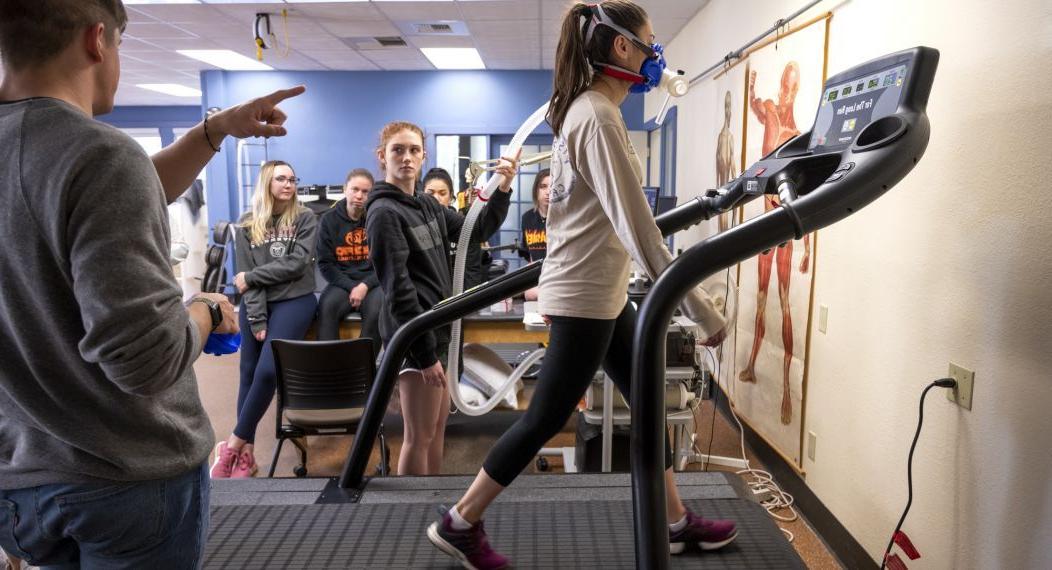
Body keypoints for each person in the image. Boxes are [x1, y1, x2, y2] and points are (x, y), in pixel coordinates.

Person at [426, 3, 737, 568]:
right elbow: (636, 225)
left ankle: (673, 520)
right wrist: (704, 312)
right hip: (586, 297)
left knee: (646, 400)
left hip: (604, 293)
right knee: (545, 417)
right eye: (648, 42)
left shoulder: (587, 112)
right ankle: (460, 520)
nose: (653, 54)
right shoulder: (595, 116)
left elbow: (614, 222)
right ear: (622, 48)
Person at [0, 0, 303, 566]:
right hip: (122, 478)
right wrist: (207, 310)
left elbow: (103, 194)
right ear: (98, 41)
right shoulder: (98, 155)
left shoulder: (61, 157)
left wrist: (213, 131)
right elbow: (146, 360)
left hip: (21, 480)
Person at [366, 123, 517, 476]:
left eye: (414, 150)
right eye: (397, 150)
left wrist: (504, 186)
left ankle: (429, 498)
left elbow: (474, 230)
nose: (406, 157)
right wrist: (425, 355)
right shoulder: (384, 213)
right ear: (382, 156)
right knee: (418, 438)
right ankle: (408, 516)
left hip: (438, 332)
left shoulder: (425, 205)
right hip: (415, 340)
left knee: (436, 433)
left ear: (423, 156)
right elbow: (399, 291)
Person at [209, 161, 319, 479]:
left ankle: (231, 445)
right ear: (266, 183)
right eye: (280, 178)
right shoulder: (246, 225)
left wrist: (254, 276)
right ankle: (248, 456)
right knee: (247, 373)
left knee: (269, 371)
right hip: (258, 303)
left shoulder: (305, 218)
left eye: (292, 179)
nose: (288, 184)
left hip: (296, 299)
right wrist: (256, 317)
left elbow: (297, 265)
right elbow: (244, 283)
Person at [740, 62, 812, 425]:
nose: (786, 91)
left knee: (784, 302)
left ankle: (785, 388)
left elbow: (805, 199)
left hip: (784, 231)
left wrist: (808, 249)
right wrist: (751, 85)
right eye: (785, 84)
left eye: (792, 87)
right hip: (764, 227)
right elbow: (753, 105)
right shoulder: (768, 110)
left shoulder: (799, 134)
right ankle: (751, 365)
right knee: (760, 299)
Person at [315, 168, 384, 357]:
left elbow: (386, 262)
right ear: (345, 189)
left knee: (377, 313)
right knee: (326, 307)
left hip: (373, 282)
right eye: (355, 189)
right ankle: (329, 372)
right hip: (342, 281)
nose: (359, 196)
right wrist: (352, 286)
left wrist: (364, 286)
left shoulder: (379, 218)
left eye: (365, 191)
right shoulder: (328, 220)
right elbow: (325, 264)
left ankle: (362, 373)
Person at [423, 166, 510, 289]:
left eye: (442, 193)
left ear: (451, 197)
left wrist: (504, 186)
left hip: (460, 298)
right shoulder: (416, 224)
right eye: (430, 193)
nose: (436, 198)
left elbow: (472, 270)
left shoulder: (459, 226)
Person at [518, 167, 551, 301]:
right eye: (543, 186)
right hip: (537, 279)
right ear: (535, 191)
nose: (548, 192)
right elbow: (528, 254)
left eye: (553, 186)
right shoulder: (527, 218)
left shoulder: (565, 219)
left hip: (559, 280)